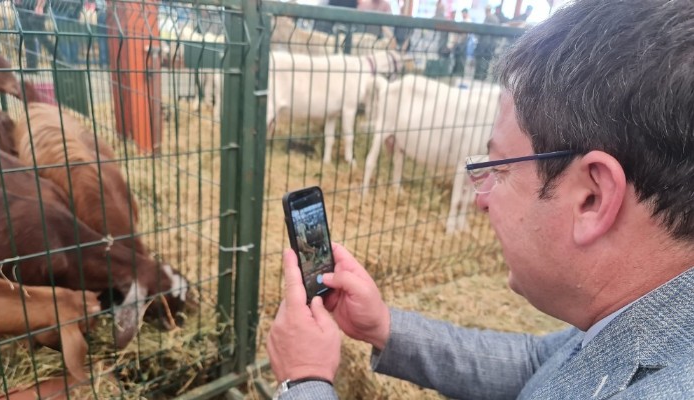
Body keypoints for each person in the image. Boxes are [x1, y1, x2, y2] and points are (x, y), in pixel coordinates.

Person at [267, 0, 694, 399]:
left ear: (592, 199)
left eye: (501, 169)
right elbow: (536, 364)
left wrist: (304, 379)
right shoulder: (645, 321)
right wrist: (385, 327)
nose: (481, 199)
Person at [14, 0, 57, 70]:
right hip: (24, 6)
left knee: (42, 38)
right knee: (28, 39)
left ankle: (61, 60)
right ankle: (31, 67)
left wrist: (40, 6)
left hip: (35, 6)